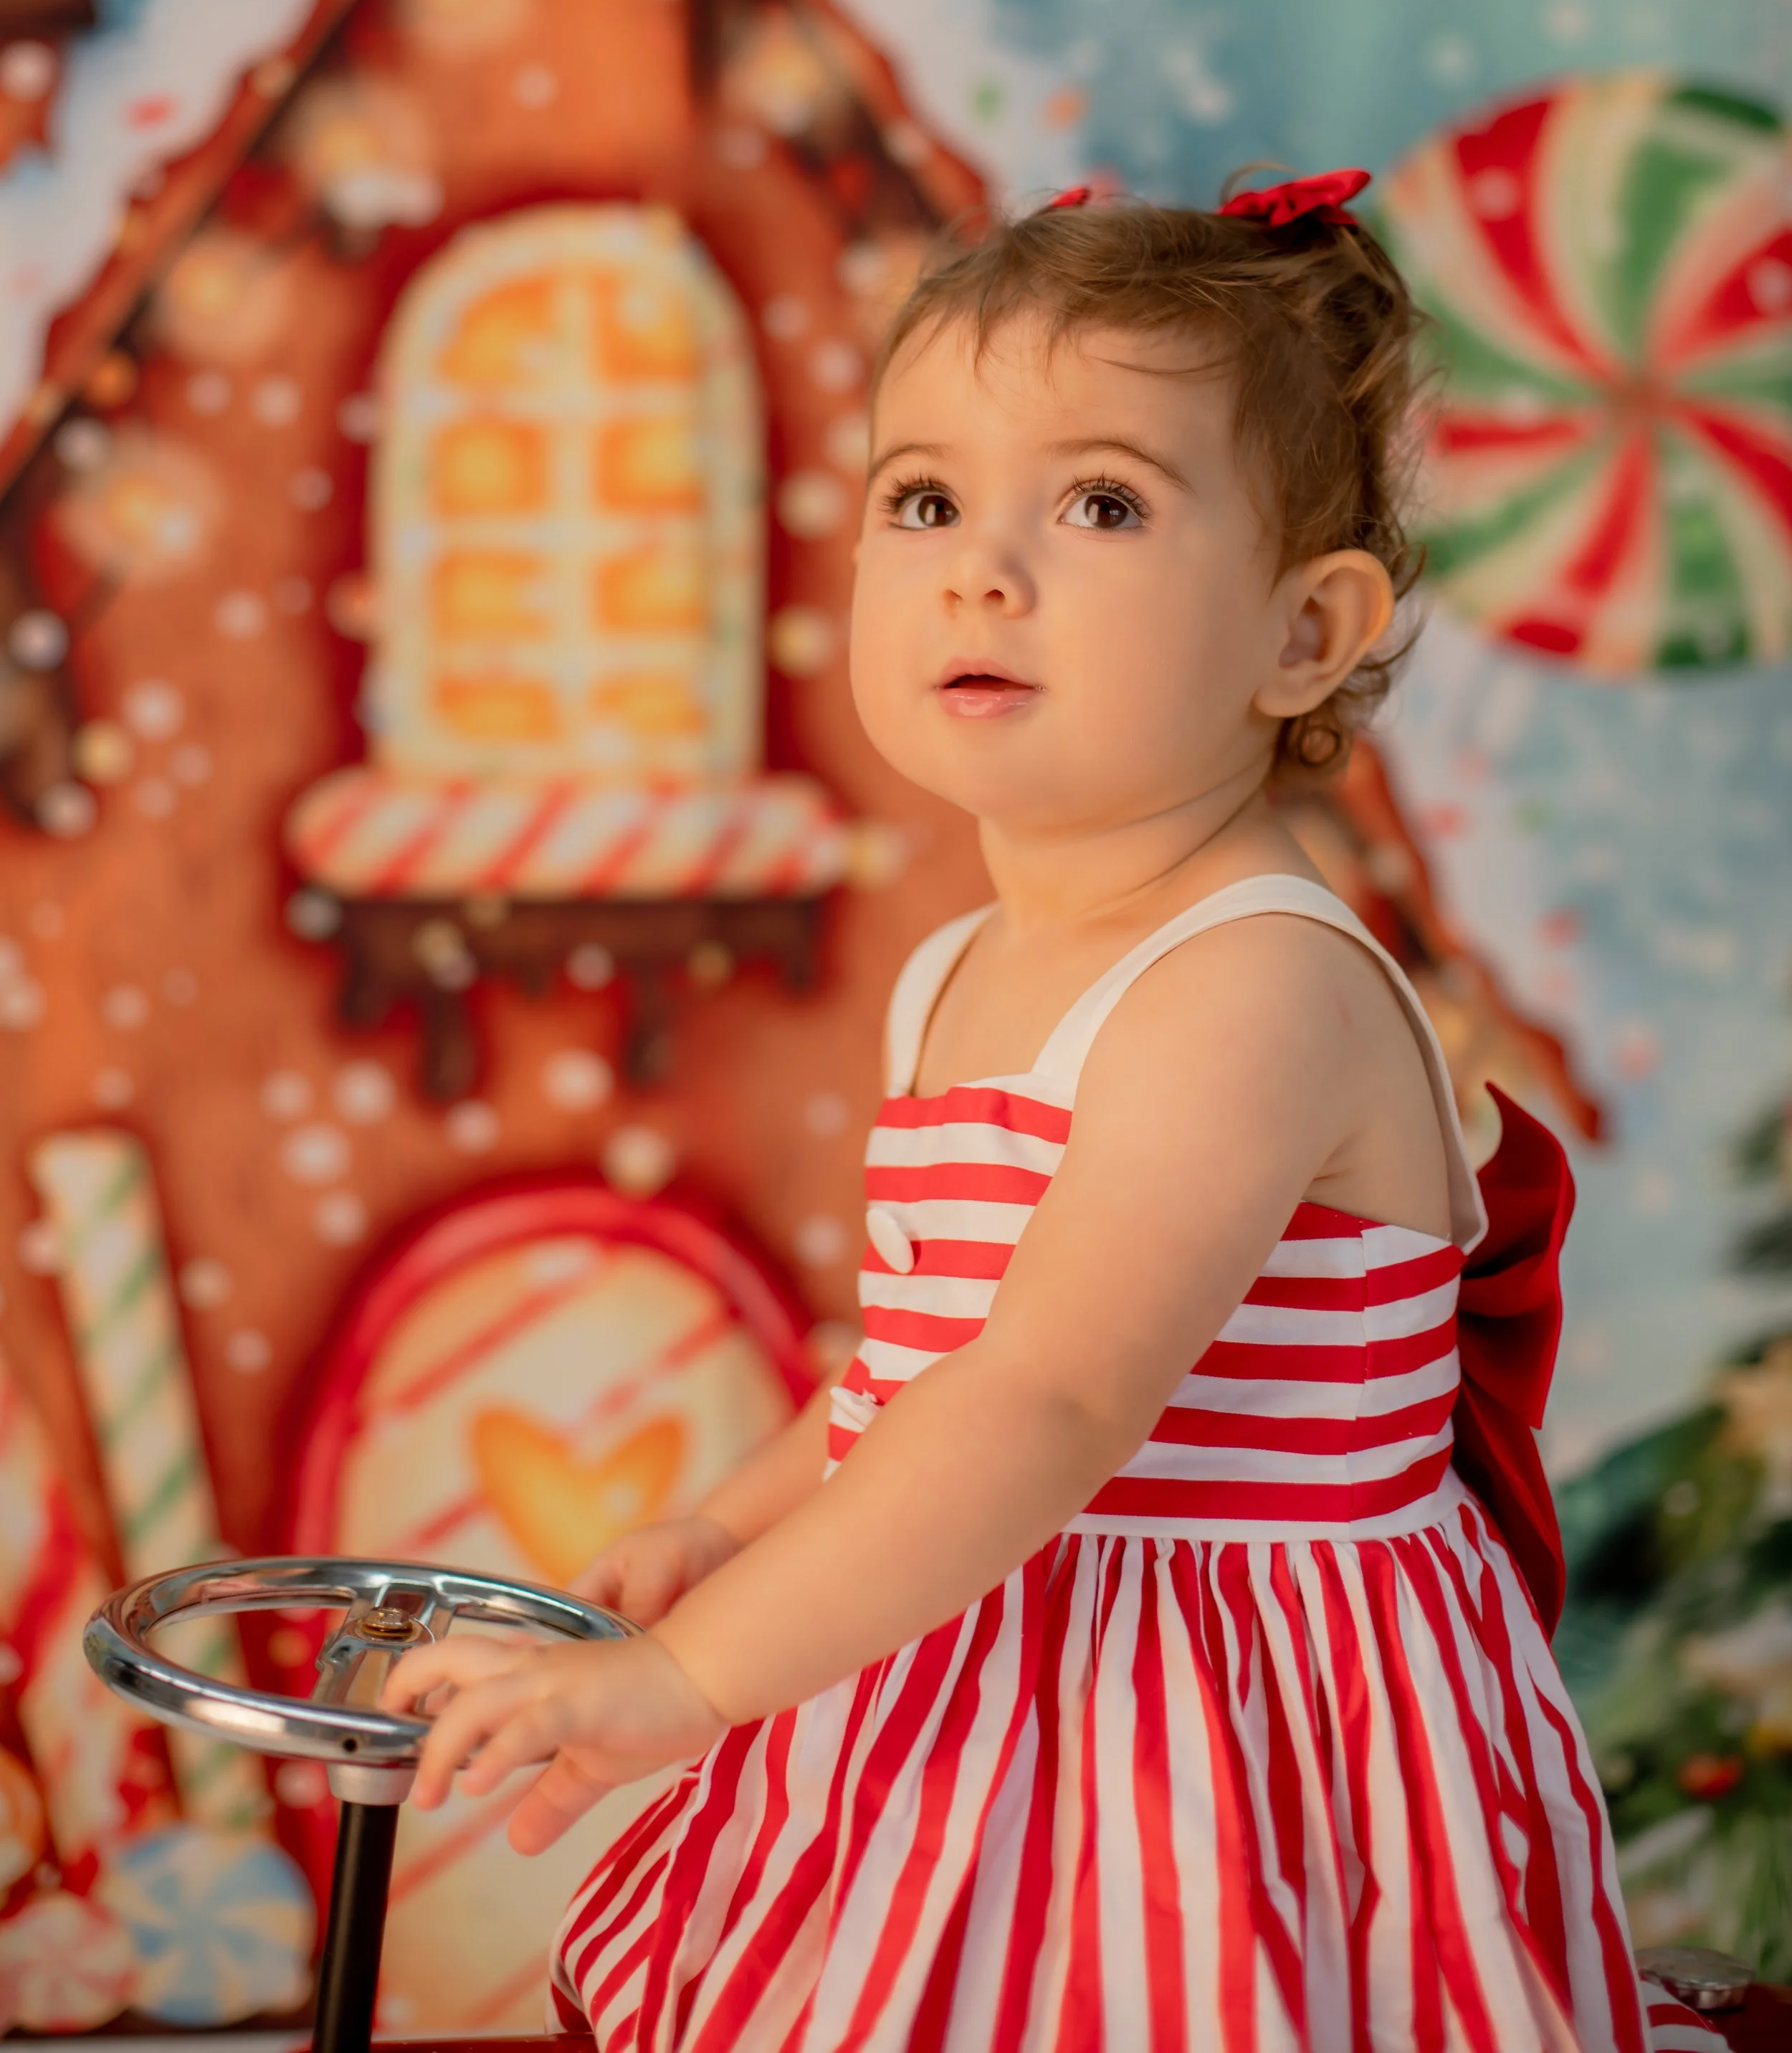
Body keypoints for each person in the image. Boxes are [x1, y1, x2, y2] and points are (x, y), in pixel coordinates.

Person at [386, 175, 1715, 2051]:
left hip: (1211, 1715)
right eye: (921, 497)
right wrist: (727, 1527)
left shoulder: (1254, 982)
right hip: (989, 1644)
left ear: (1297, 631)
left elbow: (1046, 1395)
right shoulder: (961, 970)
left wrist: (694, 1679)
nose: (977, 567)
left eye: (1099, 503)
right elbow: (918, 1364)